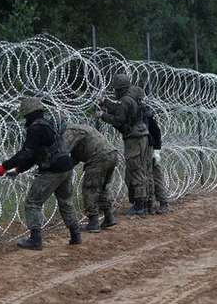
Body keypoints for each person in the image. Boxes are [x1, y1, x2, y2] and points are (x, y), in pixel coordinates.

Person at [0, 97, 81, 250]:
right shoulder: (47, 125)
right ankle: (75, 234)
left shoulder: (36, 128)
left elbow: (26, 153)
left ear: (27, 113)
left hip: (53, 170)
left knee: (32, 202)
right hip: (66, 167)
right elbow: (36, 155)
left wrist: (4, 166)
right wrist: (18, 170)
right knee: (65, 201)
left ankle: (35, 240)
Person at [97, 74, 150, 216]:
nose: (114, 92)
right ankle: (144, 202)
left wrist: (102, 115)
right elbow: (120, 110)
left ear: (120, 89)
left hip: (133, 138)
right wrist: (105, 102)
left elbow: (119, 120)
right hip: (141, 135)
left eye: (115, 89)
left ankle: (140, 206)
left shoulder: (126, 100)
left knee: (135, 169)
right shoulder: (132, 96)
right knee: (140, 169)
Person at [62, 123, 120, 232]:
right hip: (111, 154)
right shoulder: (80, 128)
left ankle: (93, 222)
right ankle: (109, 217)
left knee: (90, 189)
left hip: (99, 158)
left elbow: (64, 152)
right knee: (102, 188)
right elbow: (76, 156)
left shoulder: (69, 131)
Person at [144, 108, 170, 214]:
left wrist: (157, 151)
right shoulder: (131, 113)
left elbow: (157, 132)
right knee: (145, 178)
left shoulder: (146, 114)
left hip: (151, 149)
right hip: (141, 150)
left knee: (156, 176)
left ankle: (163, 203)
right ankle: (150, 204)